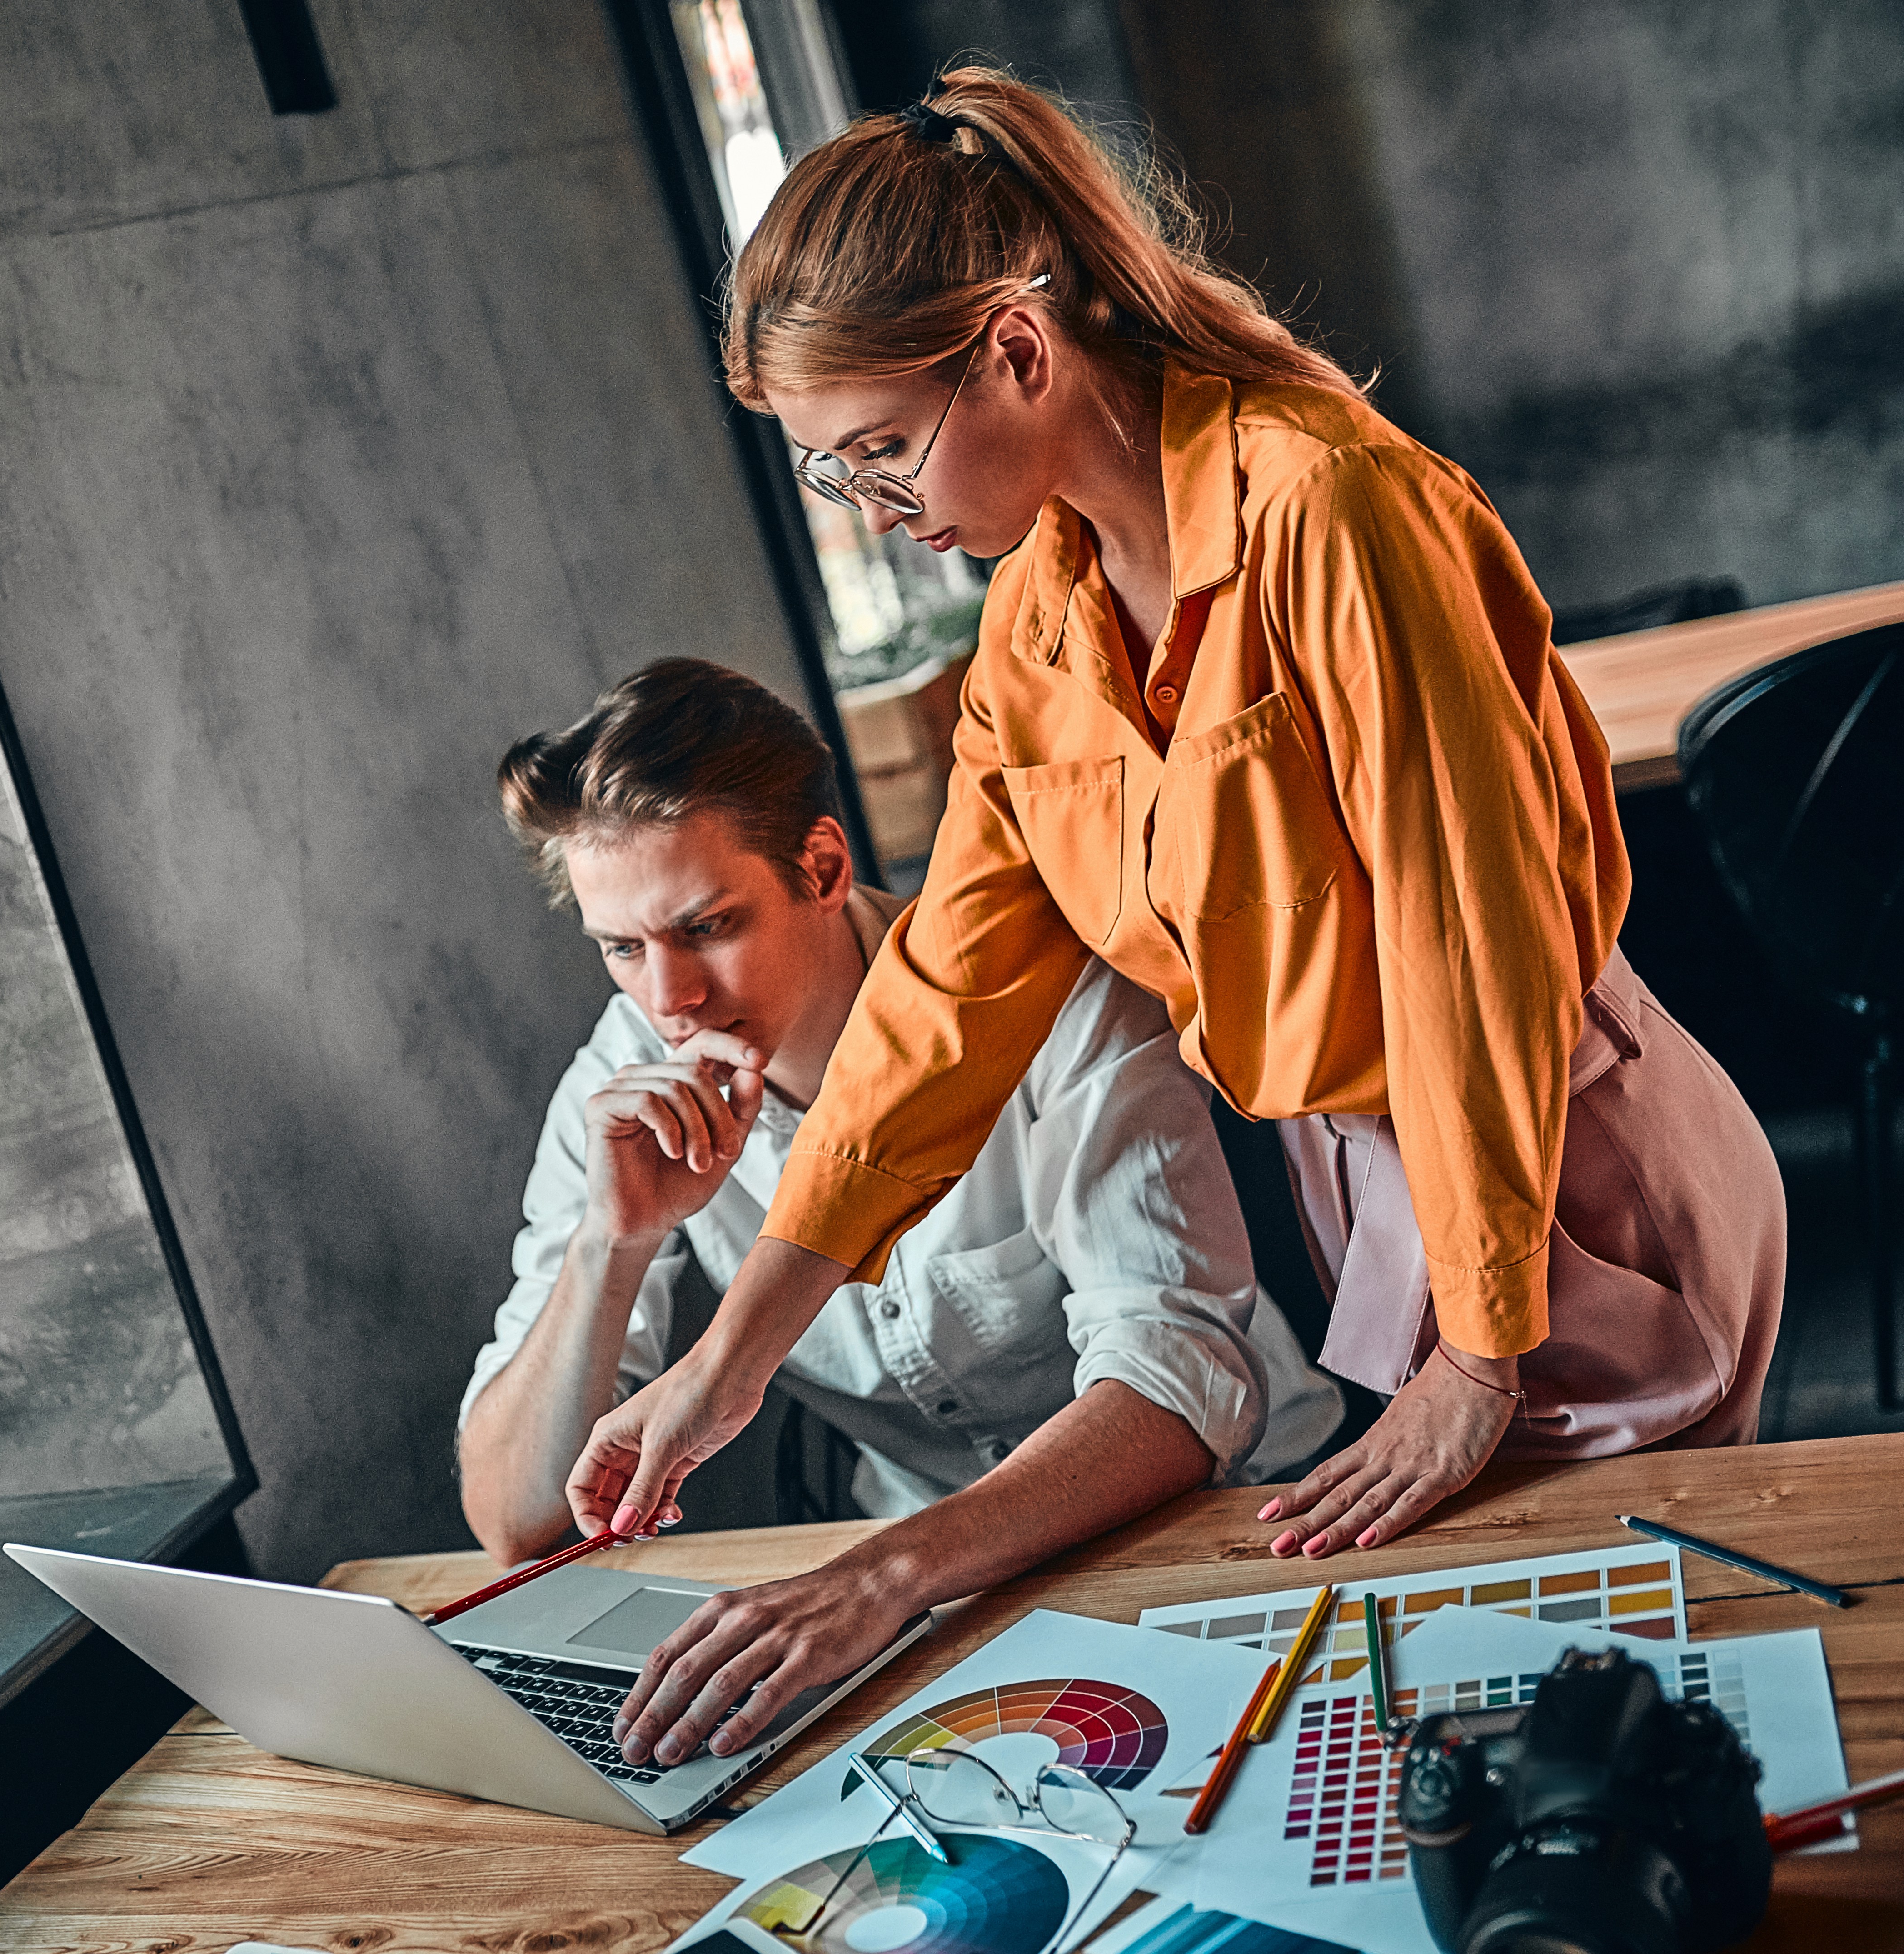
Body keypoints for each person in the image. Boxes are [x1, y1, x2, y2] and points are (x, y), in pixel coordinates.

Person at [568, 71, 1784, 1771]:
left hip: (1553, 1155)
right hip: (1383, 1198)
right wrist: (725, 1362)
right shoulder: (1037, 623)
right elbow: (937, 1015)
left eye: (876, 454)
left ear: (1011, 349)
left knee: (1654, 1701)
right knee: (1527, 1693)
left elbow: (1468, 945)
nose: (876, 515)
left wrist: (1480, 1350)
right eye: (830, 480)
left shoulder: (1325, 506)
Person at [463, 658, 1341, 1614]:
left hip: (1243, 1521)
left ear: (825, 869)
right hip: (913, 1587)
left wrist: (881, 1580)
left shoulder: (1050, 989)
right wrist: (610, 1244)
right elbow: (514, 1524)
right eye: (623, 949)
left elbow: (1177, 1378)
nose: (669, 999)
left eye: (708, 926)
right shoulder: (618, 1082)